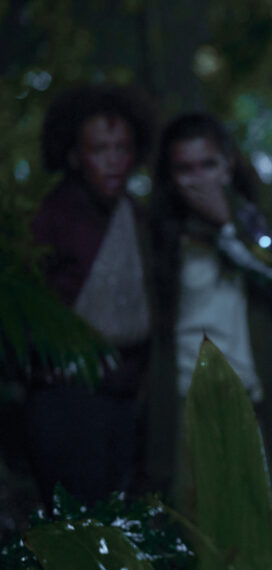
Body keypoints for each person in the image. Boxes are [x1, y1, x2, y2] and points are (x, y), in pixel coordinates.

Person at [149, 112, 272, 505]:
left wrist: (228, 226)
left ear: (228, 166)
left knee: (257, 523)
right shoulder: (159, 239)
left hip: (253, 399)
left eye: (208, 165)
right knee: (190, 522)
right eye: (185, 169)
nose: (199, 179)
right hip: (187, 401)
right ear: (170, 177)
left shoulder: (264, 226)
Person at [28, 83, 156, 504]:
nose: (114, 161)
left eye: (122, 149)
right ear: (74, 156)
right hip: (66, 399)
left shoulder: (138, 218)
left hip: (125, 399)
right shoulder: (51, 219)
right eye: (100, 149)